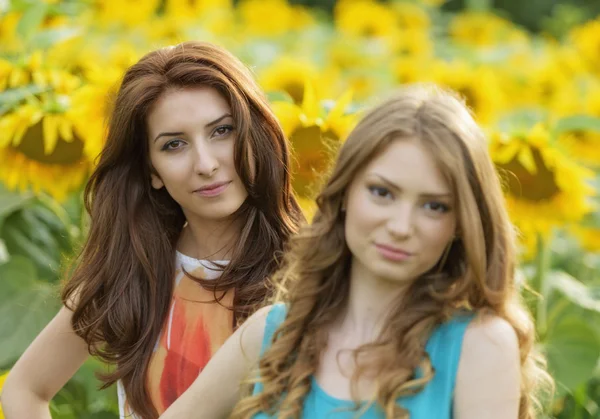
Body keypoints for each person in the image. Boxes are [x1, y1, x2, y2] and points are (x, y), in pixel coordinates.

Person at [160, 84, 553, 419]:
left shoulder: (478, 346)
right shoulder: (271, 332)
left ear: (461, 224)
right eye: (382, 193)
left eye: (434, 206)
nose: (401, 226)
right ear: (344, 192)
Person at [1, 41, 303, 419]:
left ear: (254, 135)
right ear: (151, 171)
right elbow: (25, 389)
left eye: (222, 131)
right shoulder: (131, 272)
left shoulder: (313, 271)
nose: (206, 164)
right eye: (174, 144)